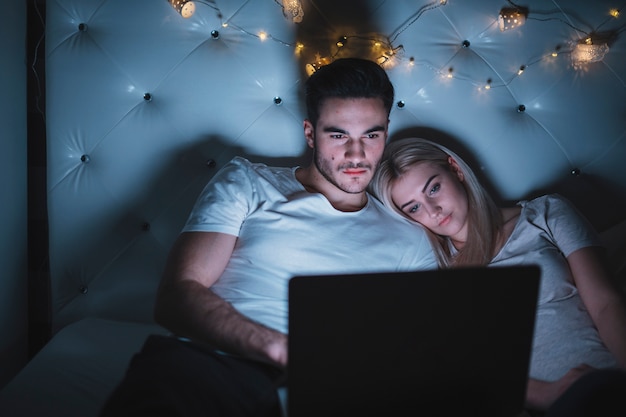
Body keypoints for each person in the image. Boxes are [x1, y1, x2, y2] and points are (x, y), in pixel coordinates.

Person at [99, 59, 436, 417]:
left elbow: (419, 350)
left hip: (331, 391)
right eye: (338, 135)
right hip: (214, 366)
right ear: (310, 133)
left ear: (386, 132)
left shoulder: (410, 239)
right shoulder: (247, 182)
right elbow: (176, 295)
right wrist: (281, 350)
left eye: (371, 135)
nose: (356, 155)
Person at [369, 137, 626, 415]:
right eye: (414, 207)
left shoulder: (545, 213)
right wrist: (545, 395)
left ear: (455, 169)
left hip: (602, 379)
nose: (433, 210)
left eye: (433, 188)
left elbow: (605, 303)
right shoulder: (435, 280)